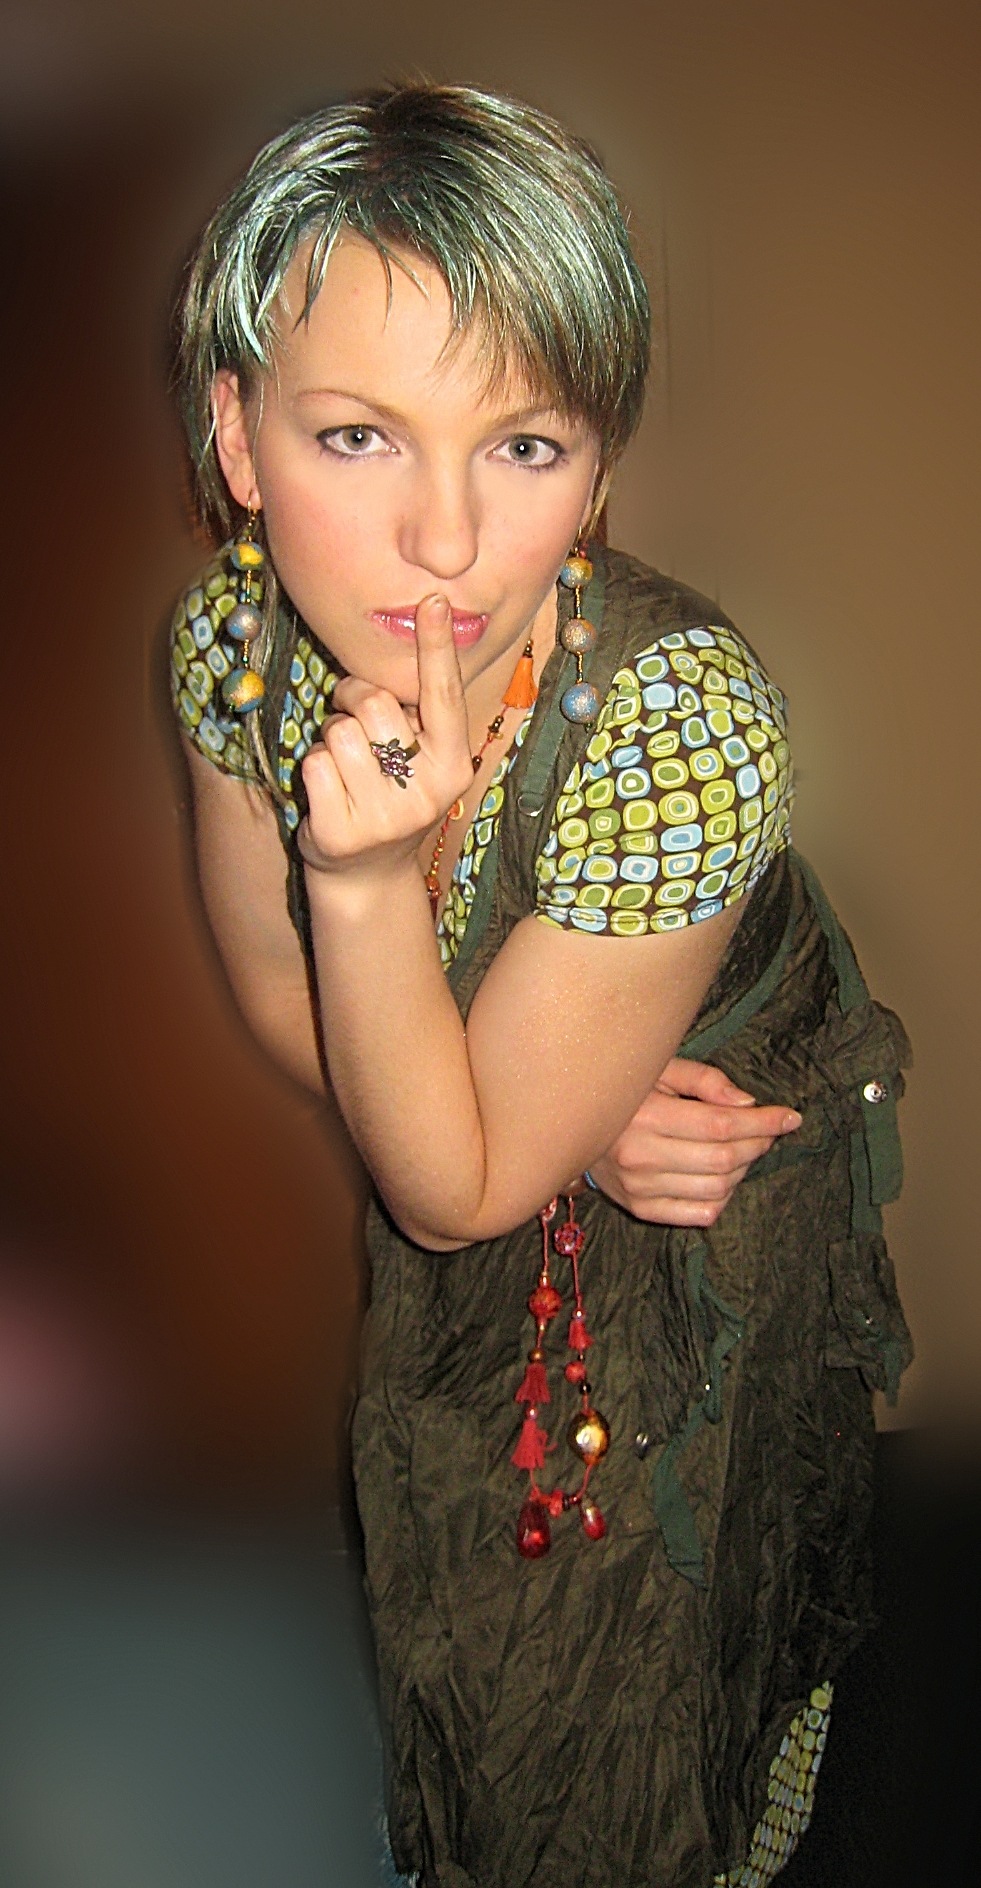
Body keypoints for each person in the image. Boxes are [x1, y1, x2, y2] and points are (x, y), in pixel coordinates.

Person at [169, 84, 913, 1888]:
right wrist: (555, 1126)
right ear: (240, 439)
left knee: (655, 1604)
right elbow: (281, 1004)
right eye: (357, 436)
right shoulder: (233, 648)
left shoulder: (683, 724)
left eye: (521, 446)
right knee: (455, 1520)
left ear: (598, 463)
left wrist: (364, 896)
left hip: (705, 1184)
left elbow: (454, 1180)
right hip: (557, 1133)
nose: (442, 542)